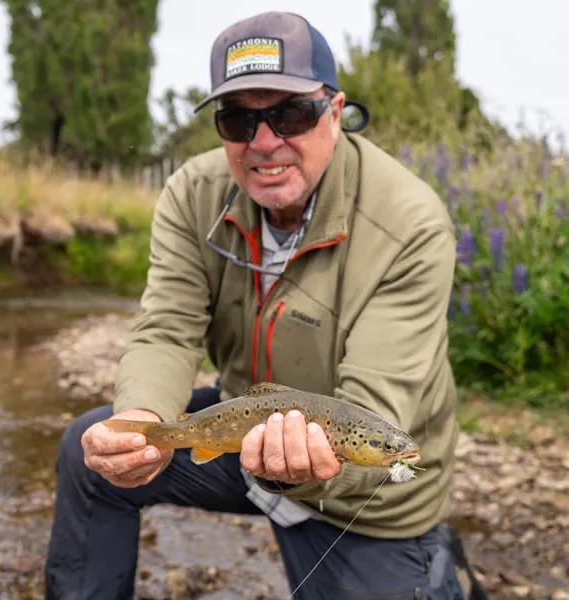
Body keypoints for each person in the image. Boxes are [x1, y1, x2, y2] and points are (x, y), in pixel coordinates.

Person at [45, 11, 470, 600]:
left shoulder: (410, 224)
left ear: (336, 109)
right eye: (239, 119)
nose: (264, 142)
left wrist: (298, 465)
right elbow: (168, 329)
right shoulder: (193, 194)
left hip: (355, 488)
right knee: (89, 449)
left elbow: (377, 407)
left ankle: (439, 566)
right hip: (240, 433)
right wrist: (142, 421)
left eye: (290, 114)